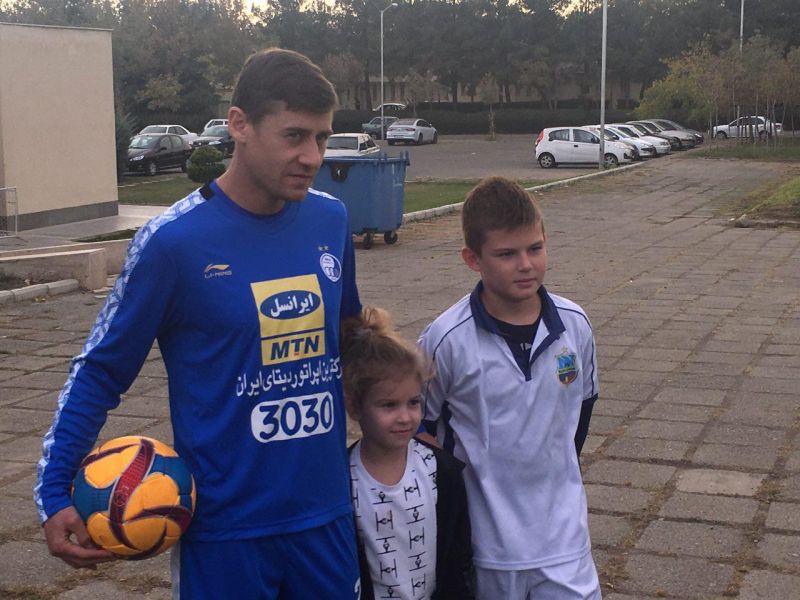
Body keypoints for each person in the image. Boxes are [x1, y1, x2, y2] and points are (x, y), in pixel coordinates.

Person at [34, 48, 363, 599]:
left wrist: (407, 420)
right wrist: (52, 492)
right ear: (239, 125)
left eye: (322, 138)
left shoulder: (331, 219)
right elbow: (100, 371)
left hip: (325, 516)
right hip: (225, 531)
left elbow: (353, 341)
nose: (312, 156)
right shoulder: (173, 243)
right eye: (294, 136)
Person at [418, 176, 601, 600]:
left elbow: (579, 417)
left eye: (535, 248)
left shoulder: (575, 325)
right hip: (485, 550)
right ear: (473, 258)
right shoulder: (445, 340)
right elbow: (421, 431)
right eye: (506, 254)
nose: (525, 264)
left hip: (564, 542)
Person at [341, 307, 474, 600]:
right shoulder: (341, 480)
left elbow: (458, 558)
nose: (405, 417)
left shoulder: (442, 471)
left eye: (413, 403)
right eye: (389, 405)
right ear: (354, 407)